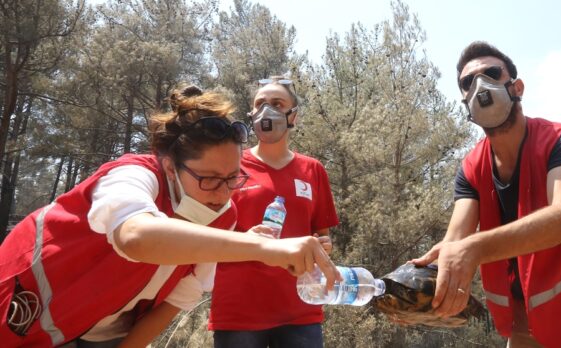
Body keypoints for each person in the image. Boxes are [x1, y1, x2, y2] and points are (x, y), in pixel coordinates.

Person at [0, 85, 339, 348]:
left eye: (234, 178)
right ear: (170, 168)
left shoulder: (225, 216)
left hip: (98, 335)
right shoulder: (133, 174)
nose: (223, 193)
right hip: (18, 314)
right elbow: (136, 237)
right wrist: (261, 248)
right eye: (208, 179)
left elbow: (172, 304)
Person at [411, 41, 561, 347]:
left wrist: (473, 249)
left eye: (491, 72)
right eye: (467, 82)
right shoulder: (471, 169)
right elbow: (455, 242)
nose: (479, 85)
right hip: (527, 329)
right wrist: (416, 298)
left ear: (517, 87)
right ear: (464, 101)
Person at [209, 77, 338, 348]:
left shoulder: (313, 170)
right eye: (260, 104)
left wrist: (324, 245)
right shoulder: (231, 164)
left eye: (277, 103)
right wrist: (248, 239)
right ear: (252, 115)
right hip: (239, 311)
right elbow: (208, 232)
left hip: (301, 307)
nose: (267, 110)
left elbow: (322, 237)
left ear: (294, 116)